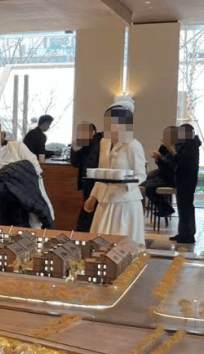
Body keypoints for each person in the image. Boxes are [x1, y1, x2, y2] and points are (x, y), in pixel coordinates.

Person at [84, 102, 147, 247]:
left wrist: (124, 181)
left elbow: (141, 175)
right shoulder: (104, 142)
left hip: (125, 202)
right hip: (105, 200)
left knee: (121, 244)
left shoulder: (133, 145)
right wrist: (93, 196)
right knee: (100, 241)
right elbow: (102, 171)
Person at [69, 121, 102, 232]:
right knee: (87, 209)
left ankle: (85, 232)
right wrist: (75, 150)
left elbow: (92, 162)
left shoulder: (99, 141)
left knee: (90, 211)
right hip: (87, 182)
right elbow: (75, 163)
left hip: (96, 181)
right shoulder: (84, 144)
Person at [171, 124, 201, 244]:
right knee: (183, 207)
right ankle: (183, 233)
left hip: (187, 180)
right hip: (184, 179)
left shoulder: (191, 145)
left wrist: (173, 152)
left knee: (186, 208)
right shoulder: (188, 144)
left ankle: (188, 235)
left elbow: (183, 160)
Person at [144, 126, 179, 218]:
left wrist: (169, 154)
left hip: (173, 177)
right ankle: (165, 207)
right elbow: (163, 166)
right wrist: (158, 159)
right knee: (145, 181)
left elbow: (173, 166)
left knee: (148, 187)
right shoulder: (163, 147)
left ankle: (165, 208)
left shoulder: (179, 148)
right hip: (165, 174)